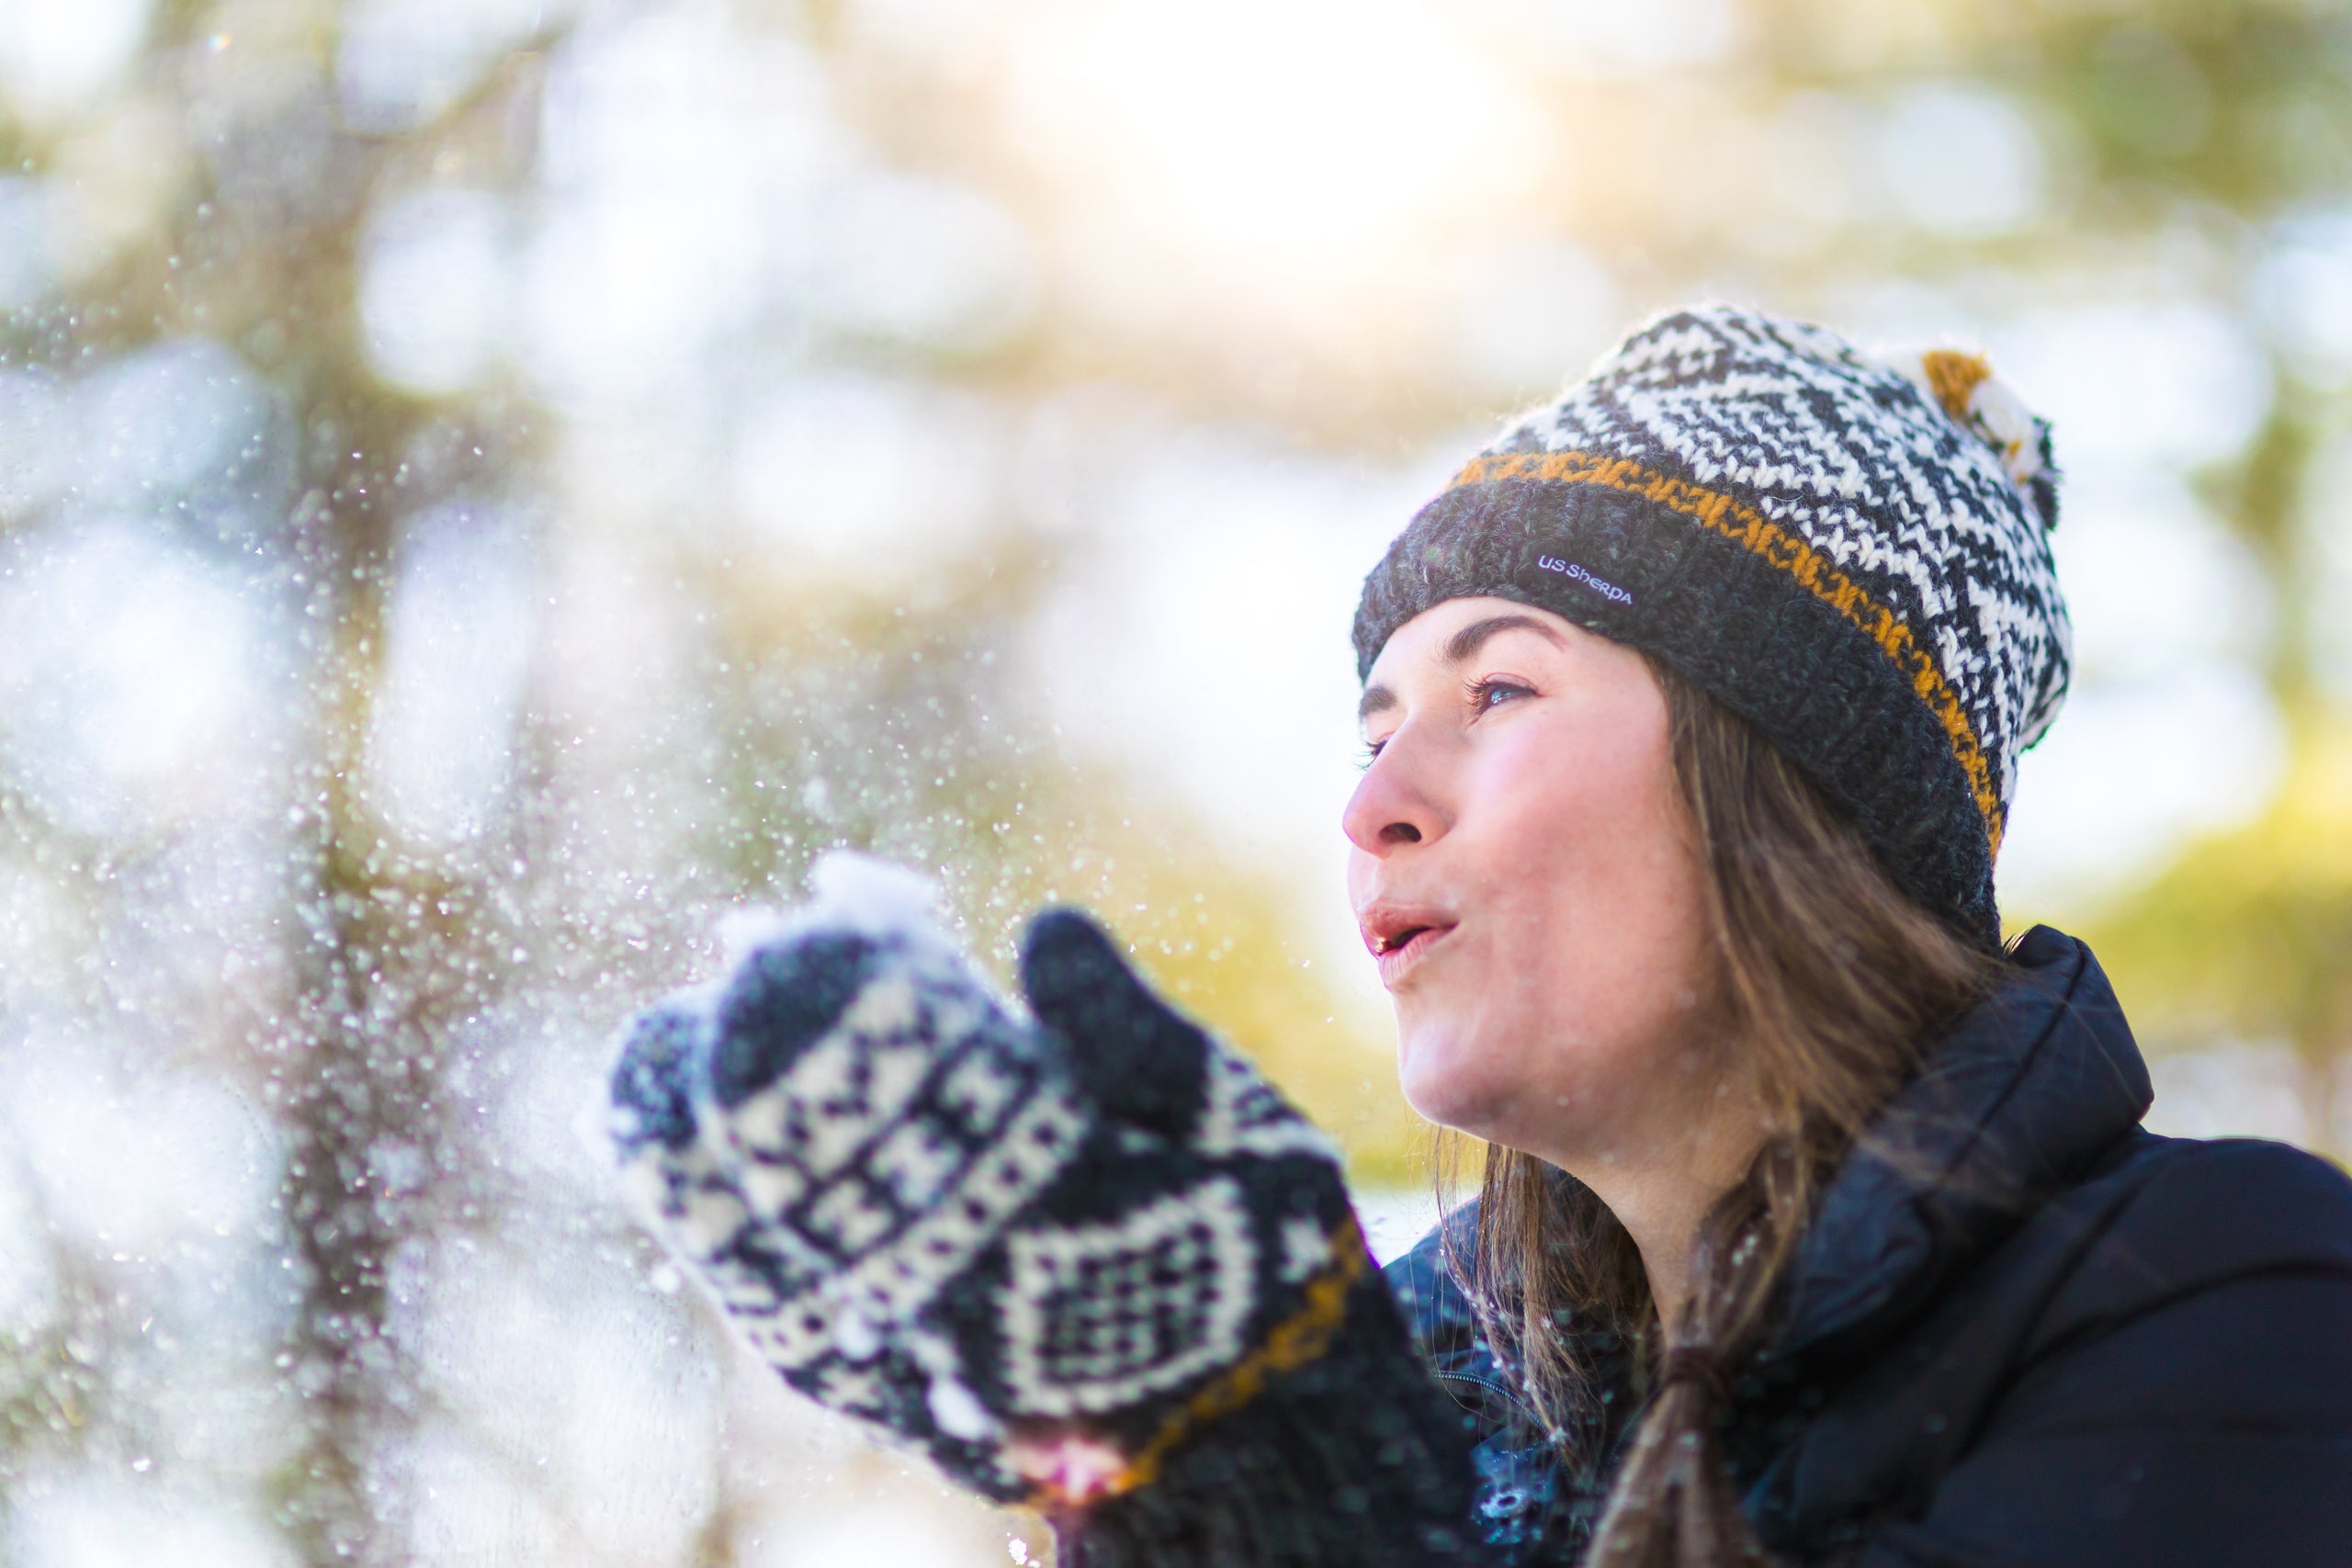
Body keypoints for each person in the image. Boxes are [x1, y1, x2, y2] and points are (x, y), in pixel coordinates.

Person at [607, 306, 2352, 1566]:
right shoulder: (1417, 1380)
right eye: (1370, 730)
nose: (1373, 803)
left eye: (1496, 690)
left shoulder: (2227, 1295)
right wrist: (1148, 1504)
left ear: (1794, 782)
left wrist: (1306, 1517)